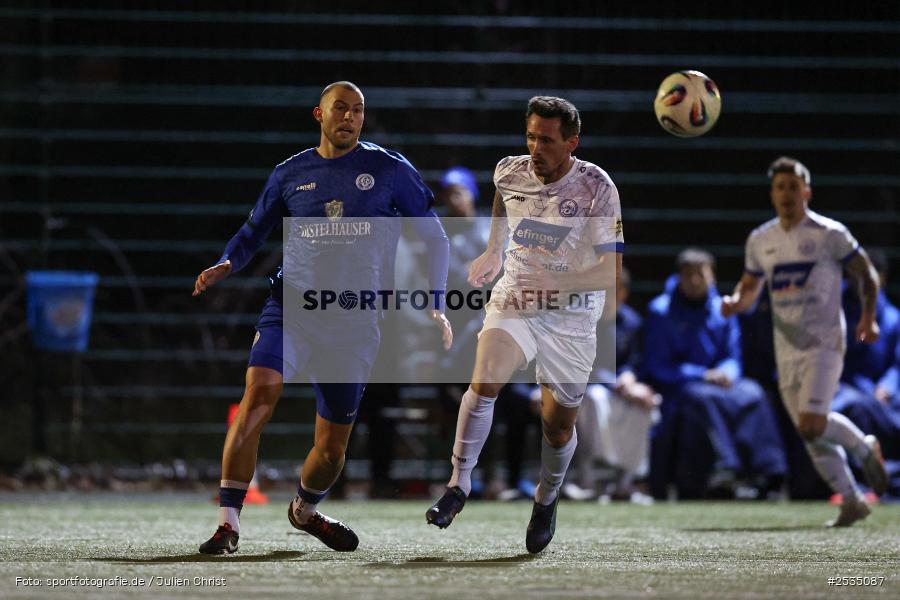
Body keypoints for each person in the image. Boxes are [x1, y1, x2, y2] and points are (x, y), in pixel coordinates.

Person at [192, 81, 452, 554]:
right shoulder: (291, 173)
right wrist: (228, 262)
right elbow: (253, 232)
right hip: (292, 309)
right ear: (319, 114)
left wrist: (436, 299)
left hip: (353, 322)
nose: (350, 117)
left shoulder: (389, 169)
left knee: (332, 449)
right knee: (258, 395)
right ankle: (228, 525)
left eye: (358, 110)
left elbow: (436, 238)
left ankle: (304, 511)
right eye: (341, 109)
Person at [425, 96, 623, 553]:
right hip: (516, 295)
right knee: (485, 380)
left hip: (571, 316)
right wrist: (495, 248)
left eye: (547, 140)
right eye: (531, 136)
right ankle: (459, 485)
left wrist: (561, 281)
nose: (536, 147)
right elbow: (501, 196)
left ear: (572, 142)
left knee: (556, 426)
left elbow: (611, 273)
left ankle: (546, 498)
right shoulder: (509, 170)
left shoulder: (597, 188)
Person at [721, 156, 887, 527]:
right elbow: (748, 289)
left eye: (793, 187)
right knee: (809, 433)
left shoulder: (829, 234)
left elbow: (867, 276)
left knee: (812, 424)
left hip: (825, 343)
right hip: (787, 348)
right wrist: (735, 303)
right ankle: (852, 500)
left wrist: (868, 316)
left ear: (807, 191)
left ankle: (864, 447)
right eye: (780, 187)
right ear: (772, 194)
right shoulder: (761, 240)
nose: (786, 194)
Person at [643, 249, 787, 499]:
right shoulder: (660, 311)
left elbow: (733, 355)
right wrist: (702, 374)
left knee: (754, 394)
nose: (695, 280)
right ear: (679, 278)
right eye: (689, 275)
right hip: (681, 386)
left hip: (721, 383)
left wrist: (726, 372)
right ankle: (726, 469)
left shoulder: (723, 309)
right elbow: (658, 365)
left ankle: (770, 472)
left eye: (701, 274)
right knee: (701, 399)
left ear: (712, 277)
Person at [565, 267, 659, 503]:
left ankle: (625, 482)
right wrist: (615, 381)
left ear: (623, 294)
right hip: (588, 390)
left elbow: (637, 361)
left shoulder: (633, 322)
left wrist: (630, 378)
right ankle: (589, 479)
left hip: (623, 392)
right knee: (594, 399)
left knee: (648, 405)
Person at [833, 250, 900, 465]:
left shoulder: (892, 318)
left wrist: (888, 386)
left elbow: (897, 366)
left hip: (882, 395)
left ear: (881, 278)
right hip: (845, 390)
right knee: (857, 408)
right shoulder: (835, 313)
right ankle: (862, 477)